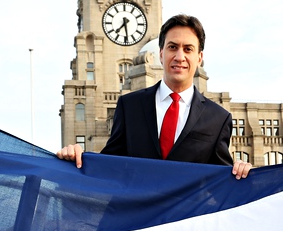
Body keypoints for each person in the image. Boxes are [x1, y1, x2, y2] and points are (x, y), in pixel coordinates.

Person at [57, 14, 252, 180]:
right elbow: (109, 163)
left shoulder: (218, 118)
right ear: (161, 53)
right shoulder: (129, 106)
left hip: (187, 221)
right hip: (136, 219)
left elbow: (221, 180)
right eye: (172, 47)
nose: (179, 57)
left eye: (188, 49)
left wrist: (245, 174)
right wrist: (79, 158)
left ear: (199, 58)